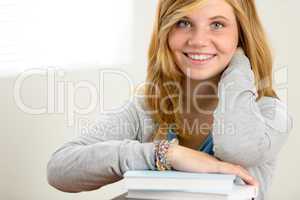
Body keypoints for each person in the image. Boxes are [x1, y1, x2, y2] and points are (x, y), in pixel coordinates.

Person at [47, 0, 293, 199]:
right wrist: (165, 155)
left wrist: (240, 65)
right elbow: (60, 169)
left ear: (241, 34)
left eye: (217, 25)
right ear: (166, 31)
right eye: (183, 22)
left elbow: (238, 149)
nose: (197, 40)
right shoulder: (148, 107)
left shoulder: (270, 113)